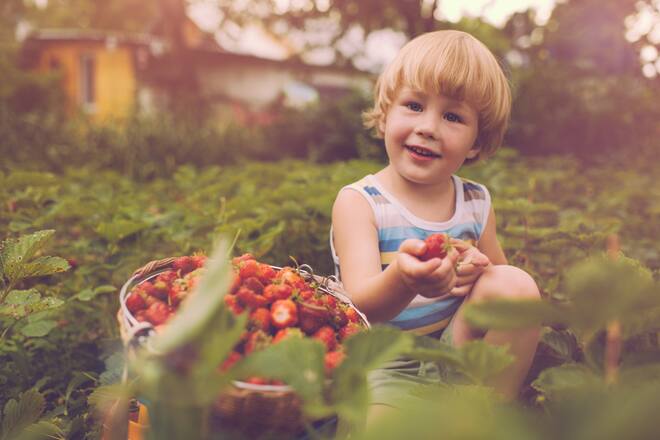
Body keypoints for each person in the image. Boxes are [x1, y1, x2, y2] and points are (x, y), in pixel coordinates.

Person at [330, 30, 541, 412]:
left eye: (452, 116)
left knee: (517, 287)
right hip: (382, 364)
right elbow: (360, 306)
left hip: (454, 349)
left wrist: (478, 267)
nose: (428, 126)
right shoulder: (360, 203)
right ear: (385, 113)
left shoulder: (475, 201)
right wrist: (405, 278)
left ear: (476, 142)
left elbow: (499, 281)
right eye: (413, 105)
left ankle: (483, 415)